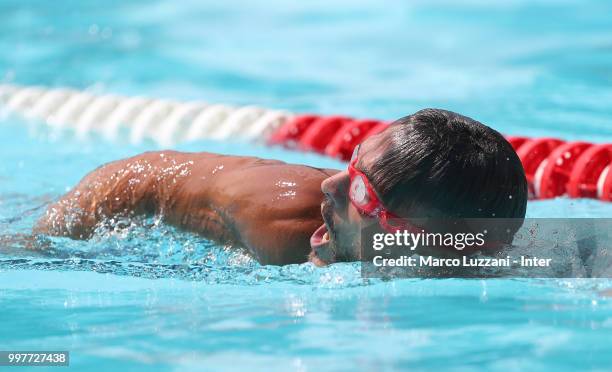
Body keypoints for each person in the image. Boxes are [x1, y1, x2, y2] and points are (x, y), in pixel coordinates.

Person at [35, 109, 528, 266]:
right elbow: (138, 175)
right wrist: (40, 239)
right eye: (350, 163)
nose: (330, 186)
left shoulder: (487, 258)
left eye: (360, 193)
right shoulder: (278, 218)